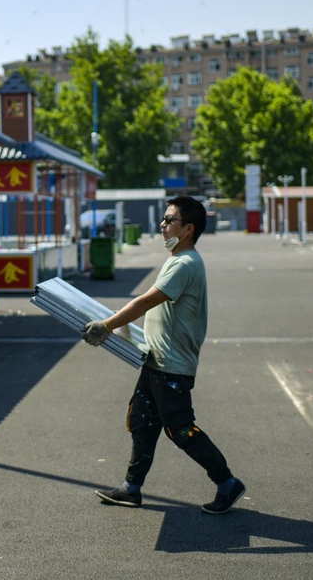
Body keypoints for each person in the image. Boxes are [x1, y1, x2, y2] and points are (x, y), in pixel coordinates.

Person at [81, 195, 245, 514]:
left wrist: (106, 325)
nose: (162, 225)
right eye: (164, 219)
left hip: (171, 366)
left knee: (181, 430)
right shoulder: (177, 259)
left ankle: (227, 482)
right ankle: (131, 487)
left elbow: (145, 301)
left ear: (188, 229)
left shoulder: (185, 264)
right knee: (142, 421)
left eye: (170, 220)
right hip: (156, 360)